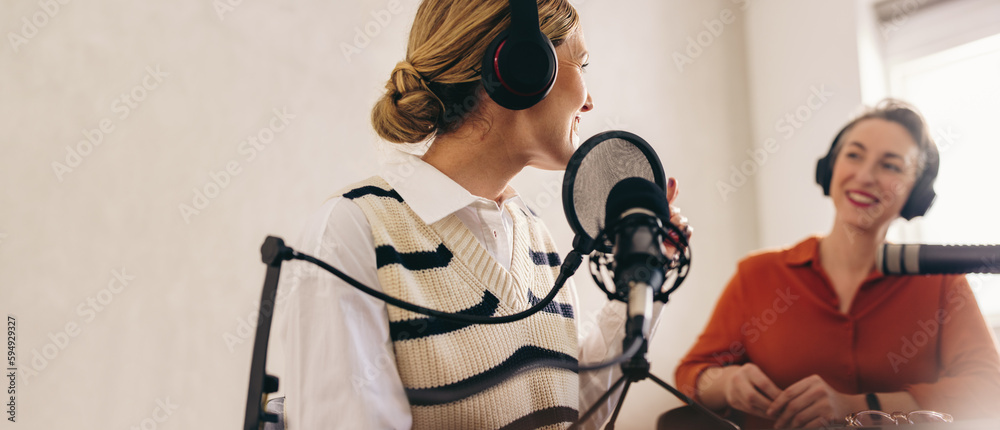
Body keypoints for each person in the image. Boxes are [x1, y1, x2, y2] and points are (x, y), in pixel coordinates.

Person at [279, 1, 689, 429]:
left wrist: (643, 278)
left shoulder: (537, 240)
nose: (590, 102)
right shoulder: (352, 233)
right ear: (523, 65)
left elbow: (567, 415)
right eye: (582, 64)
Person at [675, 99, 1000, 429]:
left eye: (890, 166)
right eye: (854, 155)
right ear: (829, 169)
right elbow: (688, 376)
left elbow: (991, 390)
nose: (865, 176)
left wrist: (862, 407)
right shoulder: (757, 274)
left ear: (916, 193)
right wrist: (726, 383)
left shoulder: (941, 282)